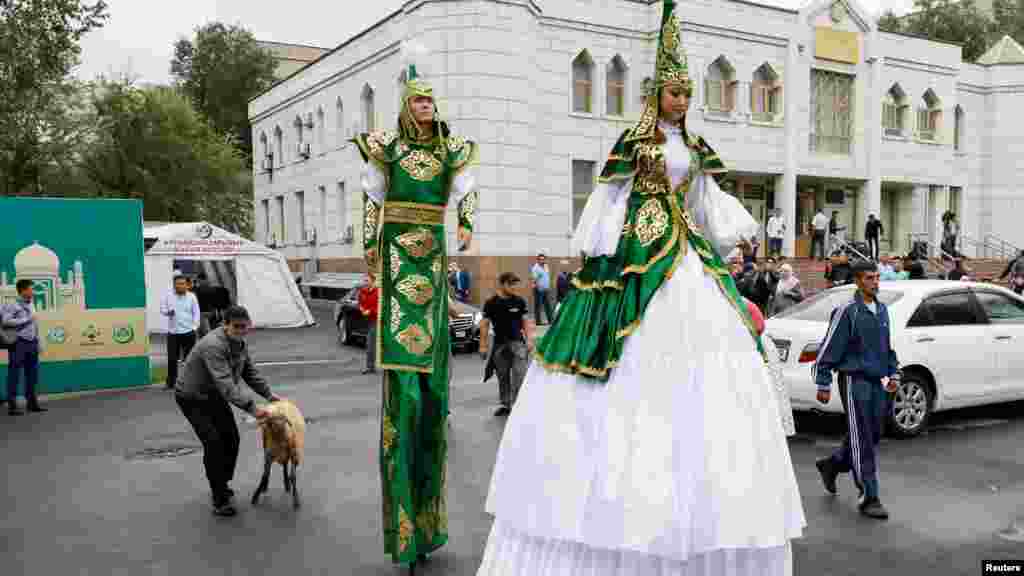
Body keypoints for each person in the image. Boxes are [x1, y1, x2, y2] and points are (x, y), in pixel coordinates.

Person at [476, 3, 805, 573]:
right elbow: (607, 198)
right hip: (636, 249)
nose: (680, 101)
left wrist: (730, 234)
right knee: (625, 360)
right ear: (655, 95)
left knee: (707, 358)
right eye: (673, 92)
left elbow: (702, 201)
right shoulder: (634, 142)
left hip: (685, 251)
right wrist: (602, 247)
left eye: (686, 92)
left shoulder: (694, 148)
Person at [350, 40, 478, 571]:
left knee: (431, 382)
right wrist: (368, 243)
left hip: (432, 254)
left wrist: (467, 221)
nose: (427, 108)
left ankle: (427, 525)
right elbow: (372, 198)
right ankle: (403, 525)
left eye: (431, 102)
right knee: (402, 380)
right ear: (406, 106)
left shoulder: (450, 149)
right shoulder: (387, 148)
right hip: (399, 259)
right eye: (419, 101)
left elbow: (467, 188)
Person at [812, 259, 900, 520]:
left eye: (877, 277)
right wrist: (823, 382)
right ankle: (869, 497)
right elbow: (829, 348)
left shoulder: (882, 310)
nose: (875, 282)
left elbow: (886, 348)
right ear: (858, 281)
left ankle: (833, 464)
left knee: (872, 434)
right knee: (862, 438)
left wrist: (893, 371)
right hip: (854, 380)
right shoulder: (847, 311)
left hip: (877, 382)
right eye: (870, 278)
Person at [174, 305, 281, 517]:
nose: (241, 331)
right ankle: (219, 498)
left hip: (214, 396)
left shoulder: (239, 343)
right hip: (191, 397)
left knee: (231, 438)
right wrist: (253, 408)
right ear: (225, 325)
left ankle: (221, 481)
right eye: (237, 327)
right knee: (213, 443)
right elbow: (225, 383)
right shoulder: (213, 345)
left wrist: (269, 394)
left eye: (245, 327)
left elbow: (249, 372)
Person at [478, 273, 535, 416]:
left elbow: (525, 321)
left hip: (518, 344)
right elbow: (484, 324)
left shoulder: (519, 301)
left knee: (520, 375)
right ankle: (506, 404)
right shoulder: (491, 302)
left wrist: (529, 339)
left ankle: (518, 404)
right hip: (499, 346)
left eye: (516, 284)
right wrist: (483, 346)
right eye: (511, 284)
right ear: (502, 284)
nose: (514, 287)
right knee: (502, 376)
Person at [2, 279, 46, 415]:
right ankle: (12, 406)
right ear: (24, 290)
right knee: (14, 374)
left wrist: (38, 341)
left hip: (32, 342)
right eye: (31, 289)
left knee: (32, 374)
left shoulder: (31, 304)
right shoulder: (12, 305)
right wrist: (26, 320)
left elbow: (35, 323)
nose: (33, 291)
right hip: (18, 343)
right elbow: (5, 321)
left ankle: (32, 403)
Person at [161, 273, 201, 390]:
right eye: (178, 284)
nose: (181, 286)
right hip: (173, 332)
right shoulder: (168, 296)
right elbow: (162, 309)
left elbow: (196, 313)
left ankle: (191, 381)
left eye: (183, 284)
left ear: (187, 285)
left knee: (190, 359)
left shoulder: (192, 296)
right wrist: (167, 312)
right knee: (172, 358)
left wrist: (194, 327)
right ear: (174, 285)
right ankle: (171, 382)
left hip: (189, 332)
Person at [357, 272, 380, 375]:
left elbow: (380, 307)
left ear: (373, 281)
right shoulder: (362, 291)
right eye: (364, 280)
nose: (365, 282)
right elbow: (360, 303)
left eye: (367, 280)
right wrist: (361, 308)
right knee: (370, 344)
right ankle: (370, 366)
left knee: (371, 344)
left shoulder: (378, 292)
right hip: (366, 320)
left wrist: (370, 311)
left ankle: (370, 367)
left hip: (376, 320)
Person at [529, 253, 555, 325]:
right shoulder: (535, 268)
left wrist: (548, 286)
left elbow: (547, 277)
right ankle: (538, 322)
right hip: (538, 289)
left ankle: (551, 320)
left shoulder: (546, 266)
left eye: (543, 259)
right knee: (538, 306)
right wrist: (538, 285)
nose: (542, 261)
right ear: (537, 260)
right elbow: (534, 280)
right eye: (540, 259)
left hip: (545, 289)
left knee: (548, 305)